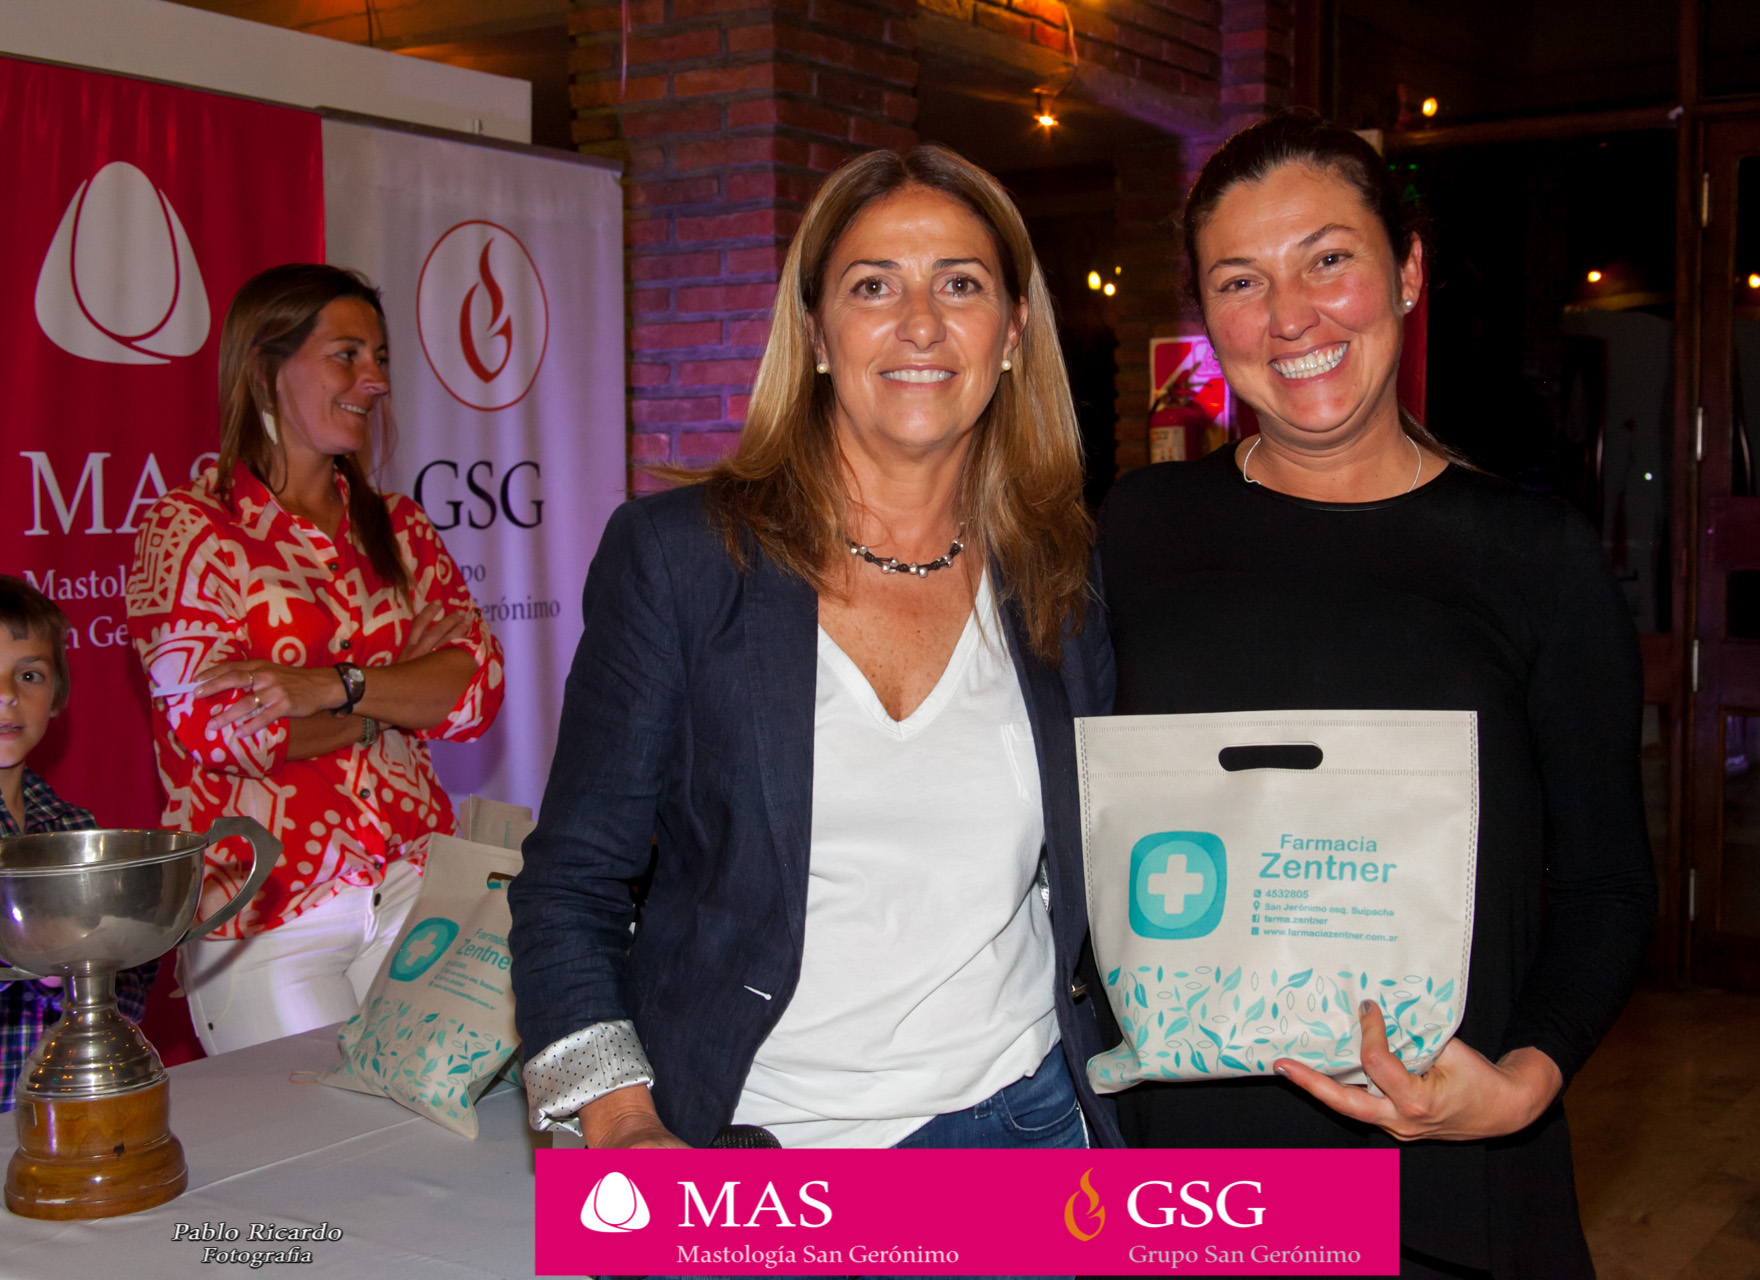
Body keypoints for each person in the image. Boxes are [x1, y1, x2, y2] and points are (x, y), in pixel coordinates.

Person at [1095, 113, 1658, 1278]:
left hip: (1440, 1184)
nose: (1290, 316)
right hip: (1187, 1184)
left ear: (1406, 271)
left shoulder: (1533, 555)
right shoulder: (1137, 532)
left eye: (1328, 259)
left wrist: (1523, 1081)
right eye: (1241, 280)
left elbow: (1605, 878)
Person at [509, 144, 1120, 1162]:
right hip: (752, 1141)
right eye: (873, 285)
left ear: (1013, 332)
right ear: (816, 333)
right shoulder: (681, 559)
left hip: (1028, 1129)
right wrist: (621, 1123)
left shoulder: (1059, 565)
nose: (919, 323)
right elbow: (569, 883)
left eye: (960, 285)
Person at [127, 264, 503, 1056]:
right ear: (266, 366)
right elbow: (220, 730)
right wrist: (385, 711)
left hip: (415, 883)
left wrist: (331, 686)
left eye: (381, 357)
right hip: (268, 908)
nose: (375, 379)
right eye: (347, 355)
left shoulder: (398, 526)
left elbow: (474, 690)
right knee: (318, 1133)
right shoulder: (193, 528)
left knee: (440, 1122)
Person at [0, 575, 157, 1110]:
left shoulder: (74, 829)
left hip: (70, 1112)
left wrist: (99, 968)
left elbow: (129, 986)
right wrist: (30, 964)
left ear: (57, 697)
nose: (7, 694)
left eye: (29, 675)